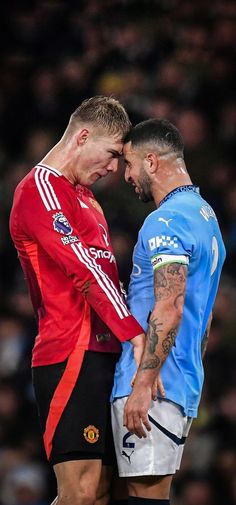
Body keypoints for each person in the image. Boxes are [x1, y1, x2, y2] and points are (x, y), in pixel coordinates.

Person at [9, 96, 145, 505]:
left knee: (103, 492)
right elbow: (85, 271)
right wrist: (135, 334)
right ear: (83, 136)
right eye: (111, 155)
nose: (113, 169)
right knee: (80, 493)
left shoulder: (88, 200)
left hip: (106, 354)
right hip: (71, 351)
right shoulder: (40, 190)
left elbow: (106, 276)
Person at [111, 118, 226, 505]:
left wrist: (143, 384)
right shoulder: (206, 217)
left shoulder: (167, 220)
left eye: (129, 164)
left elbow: (171, 305)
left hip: (155, 384)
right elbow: (204, 314)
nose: (125, 174)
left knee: (145, 497)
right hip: (181, 380)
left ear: (152, 161)